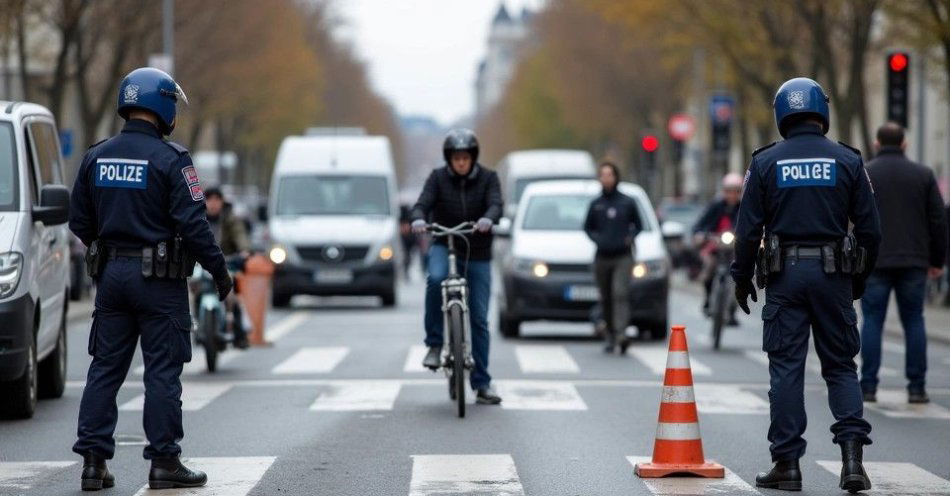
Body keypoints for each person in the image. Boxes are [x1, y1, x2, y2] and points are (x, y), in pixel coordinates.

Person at [69, 67, 232, 491]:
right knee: (162, 371)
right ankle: (164, 462)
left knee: (105, 369)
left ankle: (93, 463)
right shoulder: (171, 159)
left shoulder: (96, 155)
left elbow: (79, 220)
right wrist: (219, 270)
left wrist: (108, 248)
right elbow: (195, 227)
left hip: (111, 277)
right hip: (160, 283)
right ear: (162, 106)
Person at [731, 77, 880, 493]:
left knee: (786, 371)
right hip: (835, 276)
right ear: (823, 112)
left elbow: (747, 232)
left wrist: (740, 278)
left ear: (781, 113)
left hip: (786, 277)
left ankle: (787, 465)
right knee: (840, 367)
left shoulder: (765, 162)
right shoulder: (848, 161)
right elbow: (871, 230)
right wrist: (859, 277)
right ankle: (852, 462)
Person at [411, 129, 503, 405]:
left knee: (479, 319)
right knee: (436, 278)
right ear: (449, 159)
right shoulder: (437, 178)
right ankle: (435, 344)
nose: (461, 162)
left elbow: (496, 203)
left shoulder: (488, 178)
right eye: (456, 158)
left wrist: (488, 218)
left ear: (473, 158)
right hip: (444, 242)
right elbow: (422, 204)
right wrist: (418, 218)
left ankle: (482, 383)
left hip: (478, 251)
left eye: (465, 157)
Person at [860, 122, 947, 404]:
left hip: (876, 259)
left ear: (876, 144)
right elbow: (938, 220)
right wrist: (937, 260)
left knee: (872, 320)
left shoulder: (866, 174)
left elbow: (855, 217)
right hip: (914, 260)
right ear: (904, 144)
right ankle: (917, 387)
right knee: (914, 320)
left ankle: (868, 385)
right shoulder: (922, 174)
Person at [583, 161, 643, 354]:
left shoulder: (627, 202)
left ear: (616, 177)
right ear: (599, 178)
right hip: (602, 257)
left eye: (610, 174)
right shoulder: (596, 204)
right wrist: (597, 239)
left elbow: (639, 225)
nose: (607, 178)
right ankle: (610, 335)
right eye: (603, 175)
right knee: (606, 297)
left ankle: (621, 334)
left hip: (623, 257)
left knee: (620, 293)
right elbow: (587, 227)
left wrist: (630, 238)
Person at [204, 187, 251, 349]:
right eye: (209, 199)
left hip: (226, 264)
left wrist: (244, 251)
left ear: (222, 202)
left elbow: (240, 236)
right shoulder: (197, 218)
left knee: (232, 298)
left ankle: (239, 333)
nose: (213, 203)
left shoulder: (230, 219)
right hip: (201, 266)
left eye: (217, 199)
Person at [693, 172, 743, 321]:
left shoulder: (744, 207)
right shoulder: (715, 205)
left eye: (736, 191)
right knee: (709, 267)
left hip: (736, 249)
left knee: (740, 275)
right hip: (715, 247)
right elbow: (700, 224)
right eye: (728, 191)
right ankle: (708, 299)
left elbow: (752, 226)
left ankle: (733, 308)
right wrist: (700, 234)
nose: (732, 195)